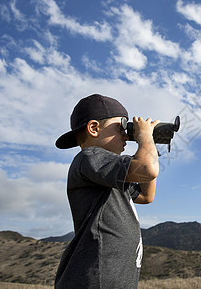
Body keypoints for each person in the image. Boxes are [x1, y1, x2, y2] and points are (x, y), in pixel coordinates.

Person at [54, 94, 160, 288]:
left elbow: (146, 195)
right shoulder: (90, 157)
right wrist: (145, 137)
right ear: (94, 128)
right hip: (95, 279)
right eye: (122, 127)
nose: (127, 135)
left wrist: (151, 146)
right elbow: (148, 169)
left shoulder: (108, 173)